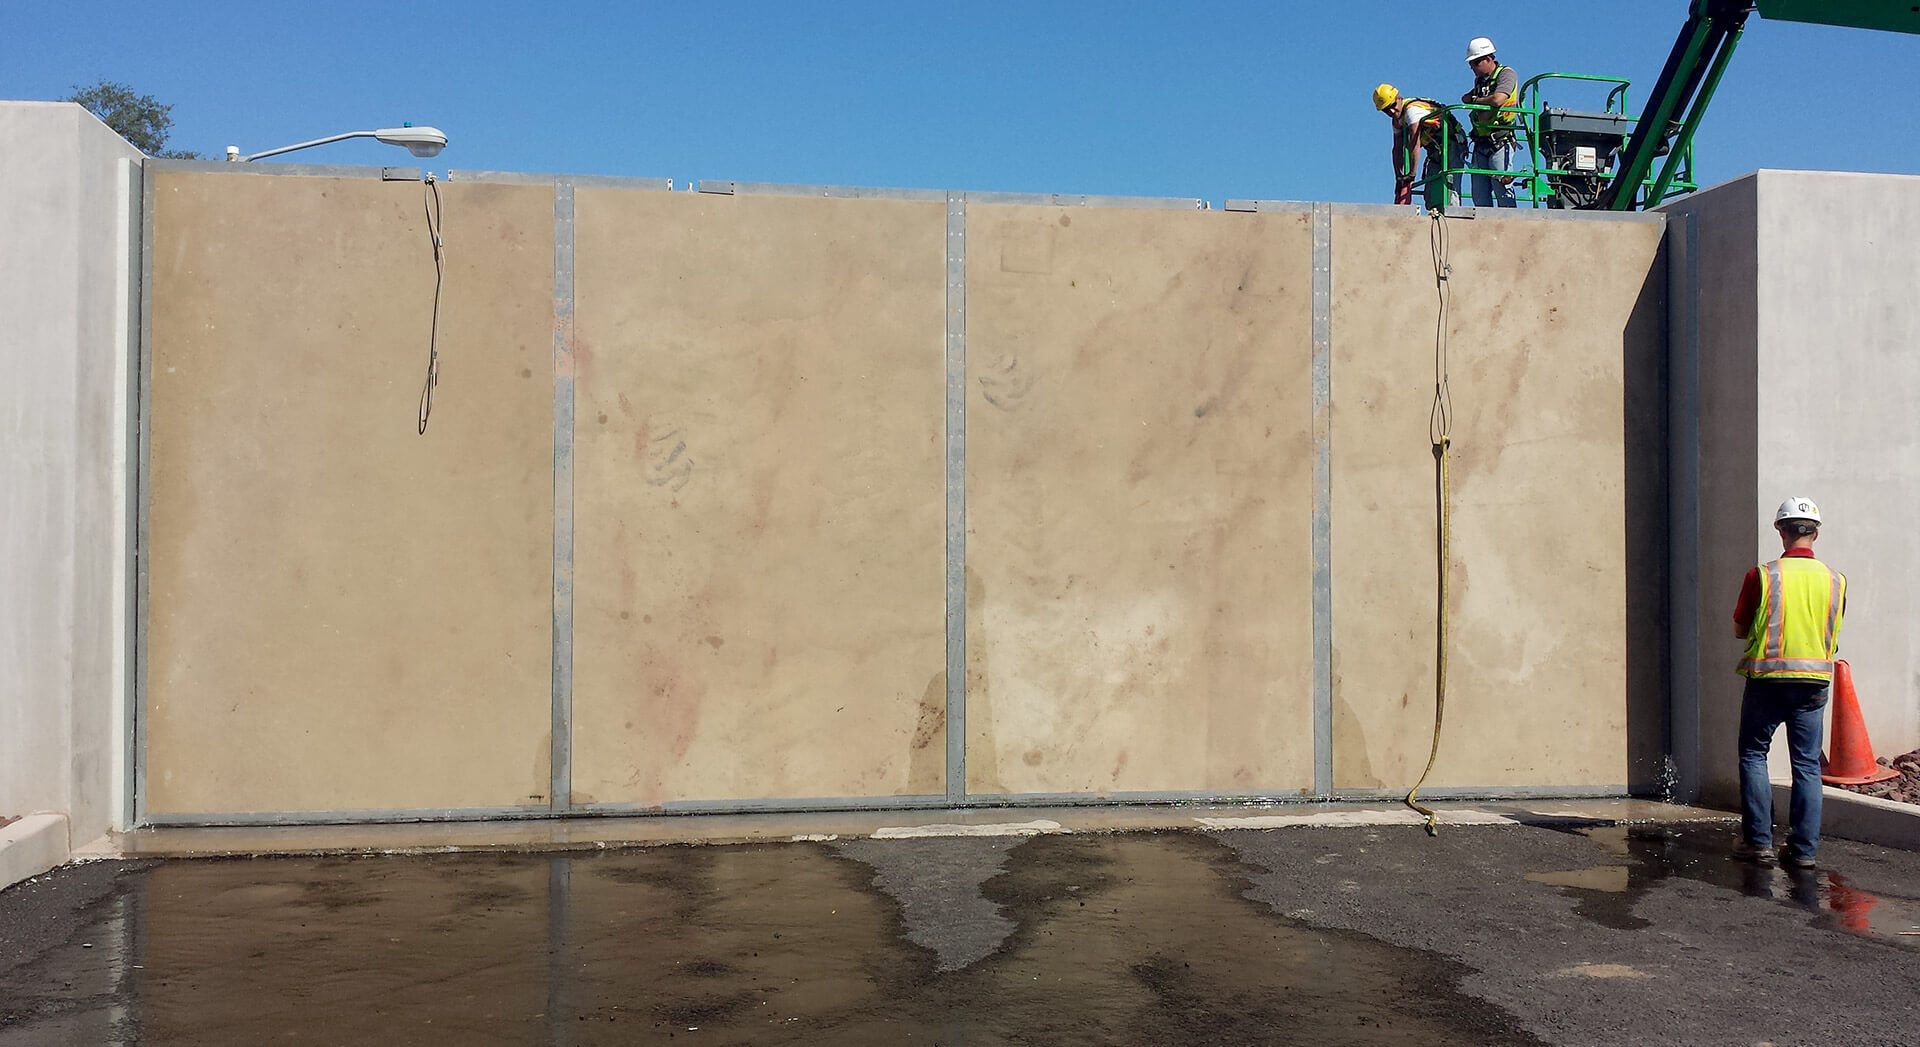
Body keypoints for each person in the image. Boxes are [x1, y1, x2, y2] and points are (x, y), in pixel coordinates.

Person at [1731, 496, 1847, 868]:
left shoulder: (1763, 575)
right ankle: (1803, 851)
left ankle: (1758, 842)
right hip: (1813, 684)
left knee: (1753, 755)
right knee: (1807, 765)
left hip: (1767, 680)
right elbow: (1833, 633)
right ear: (1816, 533)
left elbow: (1739, 628)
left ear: (1781, 530)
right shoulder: (1835, 580)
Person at [1373, 83, 1464, 210]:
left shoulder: (1412, 111)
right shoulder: (1397, 120)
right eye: (1386, 110)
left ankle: (1454, 218)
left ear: (1399, 98)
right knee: (1431, 193)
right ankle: (1436, 219)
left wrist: (1412, 175)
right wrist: (1398, 177)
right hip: (1435, 149)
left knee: (1450, 186)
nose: (1392, 111)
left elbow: (1414, 143)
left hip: (1452, 142)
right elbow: (1397, 149)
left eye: (1393, 106)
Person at [1461, 37, 1520, 207]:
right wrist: (1472, 98)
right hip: (1481, 142)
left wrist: (1474, 100)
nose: (1472, 67)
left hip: (1500, 141)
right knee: (1479, 195)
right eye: (1471, 63)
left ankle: (1509, 227)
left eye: (1475, 62)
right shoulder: (1480, 80)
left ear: (1488, 59)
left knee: (1503, 191)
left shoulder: (1506, 74)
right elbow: (1468, 97)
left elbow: (1498, 99)